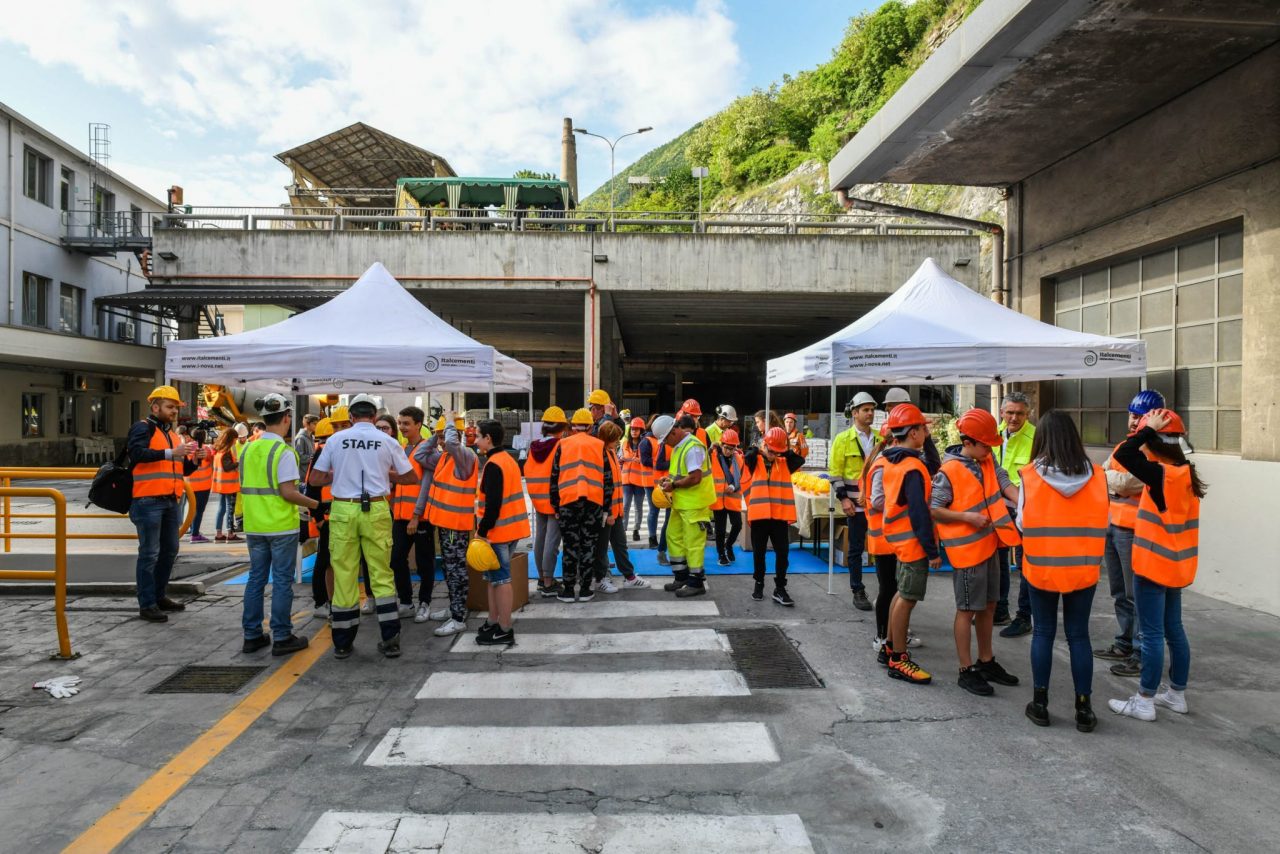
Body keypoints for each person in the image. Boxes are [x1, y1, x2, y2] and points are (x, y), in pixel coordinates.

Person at [1108, 409, 1205, 723]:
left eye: (1148, 435)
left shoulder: (1161, 474)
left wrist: (1144, 430)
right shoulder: (1186, 472)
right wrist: (1150, 431)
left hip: (1152, 566)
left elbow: (1125, 452)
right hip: (1176, 566)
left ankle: (1145, 699)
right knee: (1174, 630)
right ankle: (1176, 695)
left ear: (1157, 441)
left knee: (1151, 635)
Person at [1017, 410, 1109, 730]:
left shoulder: (1028, 476)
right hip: (1083, 570)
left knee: (1043, 633)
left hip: (1041, 568)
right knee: (1078, 636)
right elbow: (1105, 520)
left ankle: (1040, 704)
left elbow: (1021, 522)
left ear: (1041, 437)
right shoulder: (1098, 475)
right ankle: (1084, 709)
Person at [308, 393, 417, 659]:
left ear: (352, 418)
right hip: (377, 508)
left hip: (344, 508)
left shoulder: (335, 440)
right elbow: (411, 476)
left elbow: (316, 477)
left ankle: (343, 643)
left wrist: (339, 473)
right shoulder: (387, 440)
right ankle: (390, 638)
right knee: (381, 573)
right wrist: (382, 473)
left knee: (344, 573)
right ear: (374, 417)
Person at [930, 409, 1022, 696]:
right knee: (967, 609)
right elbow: (935, 509)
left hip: (992, 545)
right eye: (985, 445)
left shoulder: (985, 458)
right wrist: (968, 519)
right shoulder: (949, 471)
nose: (990, 450)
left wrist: (1024, 502)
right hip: (968, 553)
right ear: (968, 442)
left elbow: (1003, 480)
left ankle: (986, 660)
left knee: (990, 606)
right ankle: (965, 668)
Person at [238, 394, 318, 656]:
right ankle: (282, 636)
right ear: (287, 418)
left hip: (254, 526)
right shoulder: (284, 452)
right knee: (282, 581)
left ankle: (252, 636)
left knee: (256, 578)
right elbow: (288, 492)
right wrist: (317, 505)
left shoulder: (248, 448)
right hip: (281, 527)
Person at [1095, 389, 1167, 677]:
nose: (1134, 422)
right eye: (1133, 415)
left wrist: (1110, 479)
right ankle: (1124, 641)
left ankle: (1139, 651)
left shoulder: (1158, 449)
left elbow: (1127, 483)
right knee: (1118, 591)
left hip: (1134, 528)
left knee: (1135, 592)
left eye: (1141, 417)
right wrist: (1113, 480)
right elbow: (1110, 476)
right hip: (1112, 524)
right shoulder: (1126, 445)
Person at [128, 386, 206, 622]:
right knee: (150, 553)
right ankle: (147, 603)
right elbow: (136, 453)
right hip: (148, 500)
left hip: (171, 500)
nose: (174, 412)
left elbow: (179, 469)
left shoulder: (172, 436)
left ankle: (159, 596)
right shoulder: (143, 427)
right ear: (155, 407)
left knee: (170, 550)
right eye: (170, 407)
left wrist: (194, 461)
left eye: (175, 408)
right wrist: (170, 453)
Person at [879, 403, 941, 684]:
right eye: (923, 428)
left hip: (900, 540)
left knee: (900, 593)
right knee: (907, 598)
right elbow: (918, 512)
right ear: (913, 432)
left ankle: (890, 647)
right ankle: (898, 658)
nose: (926, 432)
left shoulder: (895, 460)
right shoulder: (913, 468)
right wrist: (932, 550)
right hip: (913, 542)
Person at [419, 415, 478, 636]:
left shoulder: (464, 456)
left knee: (456, 570)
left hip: (455, 526)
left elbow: (453, 443)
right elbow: (420, 455)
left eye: (445, 436)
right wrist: (434, 437)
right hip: (444, 524)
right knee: (449, 568)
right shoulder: (443, 457)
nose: (443, 441)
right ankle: (454, 607)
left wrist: (451, 423)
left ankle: (458, 617)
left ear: (457, 434)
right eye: (441, 436)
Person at [474, 420, 530, 645]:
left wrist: (481, 531)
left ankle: (505, 627)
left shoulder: (494, 464)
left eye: (478, 435)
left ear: (488, 438)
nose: (475, 439)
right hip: (510, 530)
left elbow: (493, 505)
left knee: (501, 580)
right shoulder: (507, 460)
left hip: (498, 532)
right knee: (493, 579)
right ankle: (494, 621)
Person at [551, 408, 612, 602]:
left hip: (568, 502)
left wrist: (555, 506)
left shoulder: (563, 444)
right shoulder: (599, 445)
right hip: (593, 503)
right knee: (588, 546)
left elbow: (554, 477)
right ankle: (586, 589)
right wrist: (606, 508)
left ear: (572, 426)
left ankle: (569, 589)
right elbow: (607, 479)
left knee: (570, 547)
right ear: (591, 426)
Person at [742, 426, 804, 604]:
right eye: (770, 451)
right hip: (760, 517)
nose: (772, 455)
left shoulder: (784, 462)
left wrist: (784, 451)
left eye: (777, 452)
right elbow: (747, 458)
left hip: (778, 517)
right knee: (759, 553)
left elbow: (799, 460)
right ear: (764, 445)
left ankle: (780, 588)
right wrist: (757, 449)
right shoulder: (755, 460)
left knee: (782, 554)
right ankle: (759, 584)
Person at [656, 414, 715, 597]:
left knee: (693, 543)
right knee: (673, 537)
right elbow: (682, 474)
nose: (665, 444)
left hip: (694, 505)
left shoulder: (692, 447)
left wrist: (673, 485)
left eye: (666, 440)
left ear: (673, 432)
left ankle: (696, 582)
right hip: (682, 503)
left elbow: (695, 478)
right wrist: (669, 480)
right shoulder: (680, 447)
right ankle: (681, 577)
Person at [830, 392, 879, 612]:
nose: (870, 413)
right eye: (866, 410)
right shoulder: (842, 439)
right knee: (856, 548)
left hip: (878, 505)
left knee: (882, 548)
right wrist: (844, 500)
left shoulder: (880, 438)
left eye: (872, 410)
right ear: (855, 413)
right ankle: (857, 590)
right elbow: (835, 473)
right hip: (855, 505)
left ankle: (886, 590)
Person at [995, 391, 1037, 636]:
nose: (1014, 417)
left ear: (1027, 414)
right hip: (998, 508)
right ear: (1002, 412)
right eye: (1009, 412)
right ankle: (1001, 610)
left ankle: (1024, 616)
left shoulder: (1036, 437)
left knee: (1025, 563)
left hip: (1026, 509)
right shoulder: (994, 436)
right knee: (999, 560)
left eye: (1019, 413)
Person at [594, 420, 649, 591]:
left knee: (620, 544)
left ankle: (629, 576)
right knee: (602, 547)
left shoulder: (610, 452)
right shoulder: (602, 455)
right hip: (608, 512)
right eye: (615, 438)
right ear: (608, 438)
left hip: (614, 511)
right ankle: (600, 579)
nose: (618, 441)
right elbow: (604, 486)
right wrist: (608, 512)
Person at [392, 407, 434, 621]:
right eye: (400, 422)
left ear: (419, 424)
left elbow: (426, 484)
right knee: (397, 559)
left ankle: (424, 602)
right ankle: (407, 602)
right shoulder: (401, 448)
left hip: (421, 516)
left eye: (406, 423)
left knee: (424, 561)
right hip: (400, 515)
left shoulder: (426, 449)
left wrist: (416, 516)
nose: (402, 427)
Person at [863, 425, 898, 663]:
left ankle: (891, 634)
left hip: (889, 535)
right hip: (885, 536)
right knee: (888, 588)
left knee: (891, 588)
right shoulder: (884, 463)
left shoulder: (883, 461)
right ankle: (883, 637)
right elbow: (877, 500)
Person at [525, 407, 568, 597]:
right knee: (552, 541)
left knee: (540, 540)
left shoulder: (533, 446)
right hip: (555, 499)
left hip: (537, 499)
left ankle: (542, 578)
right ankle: (549, 583)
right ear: (561, 427)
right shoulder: (561, 446)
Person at [304, 417, 335, 617]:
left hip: (333, 514)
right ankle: (321, 602)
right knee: (324, 559)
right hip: (327, 516)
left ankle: (327, 600)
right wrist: (319, 518)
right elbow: (312, 488)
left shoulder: (322, 450)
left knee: (330, 560)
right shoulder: (323, 451)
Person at [710, 429, 745, 566]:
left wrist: (734, 486)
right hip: (718, 500)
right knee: (720, 530)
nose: (728, 451)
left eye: (731, 448)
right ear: (721, 444)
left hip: (733, 498)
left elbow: (742, 477)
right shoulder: (713, 456)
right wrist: (709, 449)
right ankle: (721, 554)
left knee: (737, 525)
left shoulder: (739, 459)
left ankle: (729, 545)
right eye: (726, 448)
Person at [640, 416, 671, 555]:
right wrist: (664, 461)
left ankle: (664, 539)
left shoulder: (665, 440)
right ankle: (653, 538)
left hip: (665, 481)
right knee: (654, 511)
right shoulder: (646, 441)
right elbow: (645, 461)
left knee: (666, 514)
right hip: (651, 483)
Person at [620, 417, 650, 542]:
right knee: (625, 506)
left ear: (641, 430)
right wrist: (622, 459)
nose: (634, 431)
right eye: (632, 429)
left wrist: (639, 460)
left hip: (639, 481)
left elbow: (648, 460)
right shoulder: (625, 443)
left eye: (637, 429)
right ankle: (623, 530)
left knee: (638, 507)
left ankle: (636, 530)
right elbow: (621, 457)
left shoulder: (645, 444)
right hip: (626, 480)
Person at [212, 427, 242, 542]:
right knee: (230, 509)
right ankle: (230, 534)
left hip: (221, 485)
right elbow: (228, 467)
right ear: (230, 439)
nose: (236, 442)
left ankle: (219, 534)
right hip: (229, 486)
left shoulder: (218, 450)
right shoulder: (227, 452)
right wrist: (238, 463)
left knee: (221, 509)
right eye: (235, 439)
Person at [185, 427, 214, 543]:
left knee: (192, 509)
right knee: (199, 510)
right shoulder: (206, 449)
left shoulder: (187, 448)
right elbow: (210, 459)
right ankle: (195, 534)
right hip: (203, 485)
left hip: (188, 484)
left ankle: (193, 530)